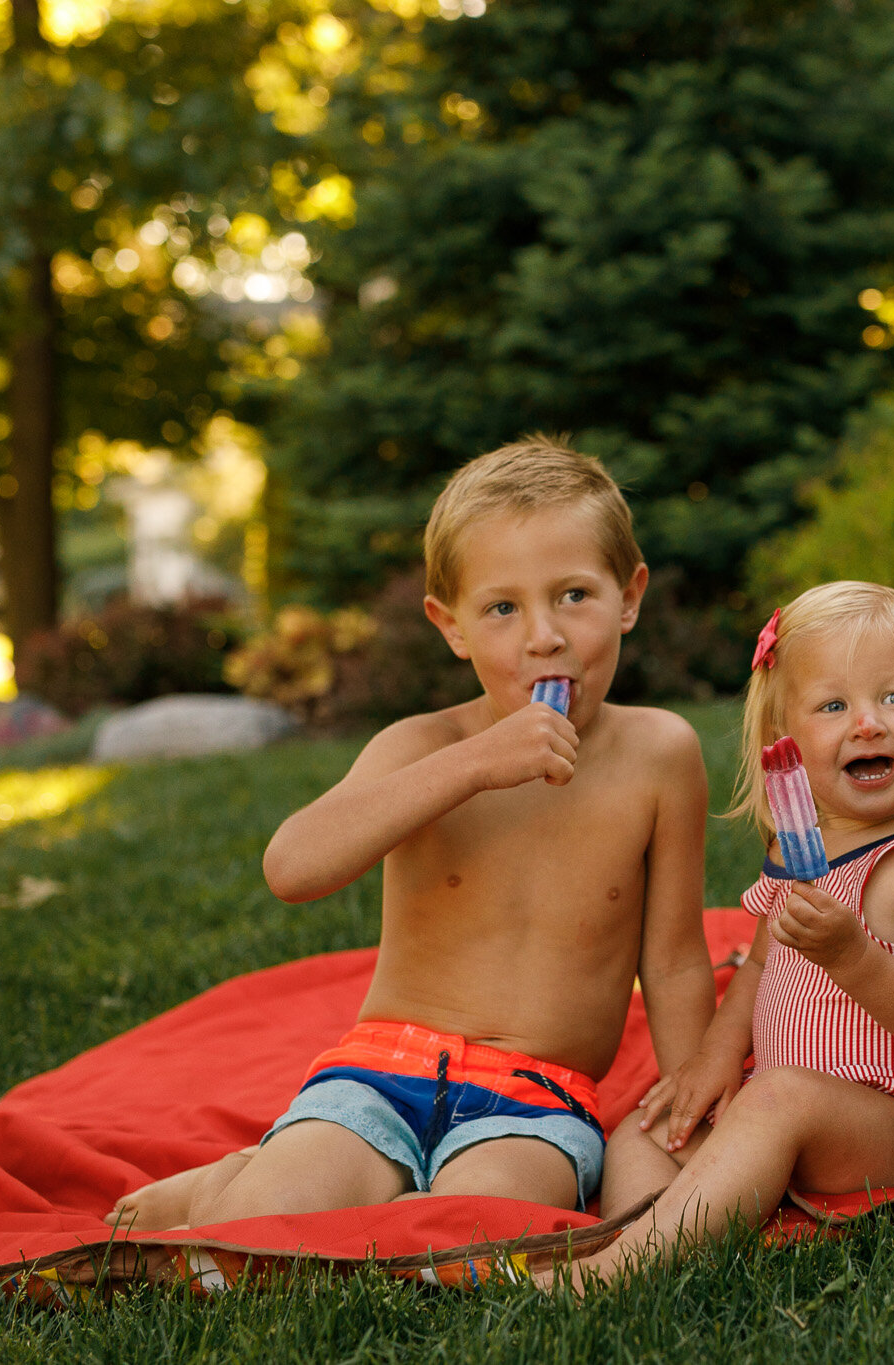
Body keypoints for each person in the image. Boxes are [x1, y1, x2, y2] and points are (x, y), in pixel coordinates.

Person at [110, 439, 717, 1227]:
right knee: (263, 1226)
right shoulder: (422, 748)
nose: (544, 636)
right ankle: (245, 1176)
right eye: (502, 608)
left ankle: (343, 1181)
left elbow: (672, 960)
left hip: (537, 1093)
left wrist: (692, 1095)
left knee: (477, 1229)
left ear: (629, 595)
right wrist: (474, 765)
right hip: (378, 1071)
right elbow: (292, 867)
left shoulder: (661, 754)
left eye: (574, 595)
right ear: (451, 625)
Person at [541, 582, 894, 1286]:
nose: (868, 723)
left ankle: (621, 1269)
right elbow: (756, 970)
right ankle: (655, 1233)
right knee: (649, 1122)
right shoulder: (797, 848)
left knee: (783, 1096)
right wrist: (713, 1058)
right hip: (782, 1102)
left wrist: (853, 956)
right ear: (783, 745)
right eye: (833, 705)